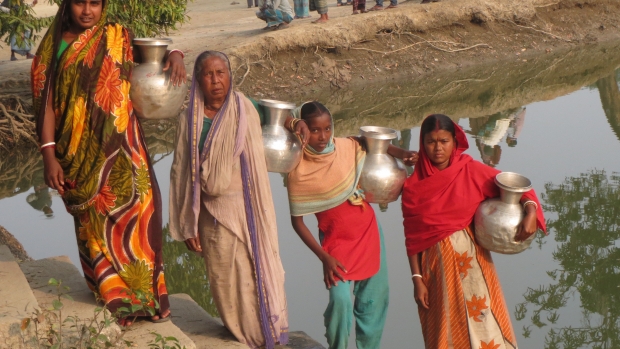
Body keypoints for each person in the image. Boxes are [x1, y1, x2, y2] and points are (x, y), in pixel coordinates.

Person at [31, 0, 186, 326]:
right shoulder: (51, 50)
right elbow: (45, 104)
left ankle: (149, 299)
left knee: (140, 214)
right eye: (79, 3)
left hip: (125, 147)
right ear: (67, 5)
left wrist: (175, 55)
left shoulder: (117, 36)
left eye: (95, 4)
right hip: (78, 155)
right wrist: (49, 156)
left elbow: (151, 58)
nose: (87, 11)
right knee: (97, 224)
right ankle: (118, 299)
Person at [169, 50, 309, 349]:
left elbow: (279, 119)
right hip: (211, 212)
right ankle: (242, 332)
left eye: (221, 72)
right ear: (198, 80)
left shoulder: (245, 108)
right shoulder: (189, 120)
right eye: (208, 74)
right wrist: (187, 225)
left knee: (258, 267)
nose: (216, 80)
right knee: (225, 279)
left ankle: (265, 333)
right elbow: (181, 172)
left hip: (248, 207)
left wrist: (295, 124)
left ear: (230, 76)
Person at [401, 114, 546, 348]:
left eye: (444, 141)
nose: (438, 148)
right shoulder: (414, 186)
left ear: (454, 142)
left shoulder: (469, 170)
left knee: (484, 319)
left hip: (473, 263)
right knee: (445, 325)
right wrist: (417, 279)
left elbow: (517, 188)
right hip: (435, 268)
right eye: (431, 141)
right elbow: (412, 238)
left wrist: (530, 211)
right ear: (422, 143)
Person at [287, 102, 417, 349]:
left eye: (327, 128)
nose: (323, 136)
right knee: (340, 302)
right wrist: (323, 257)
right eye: (315, 130)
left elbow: (371, 143)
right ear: (302, 130)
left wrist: (402, 154)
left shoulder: (345, 147)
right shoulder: (299, 169)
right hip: (336, 245)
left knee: (374, 302)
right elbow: (297, 223)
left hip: (368, 233)